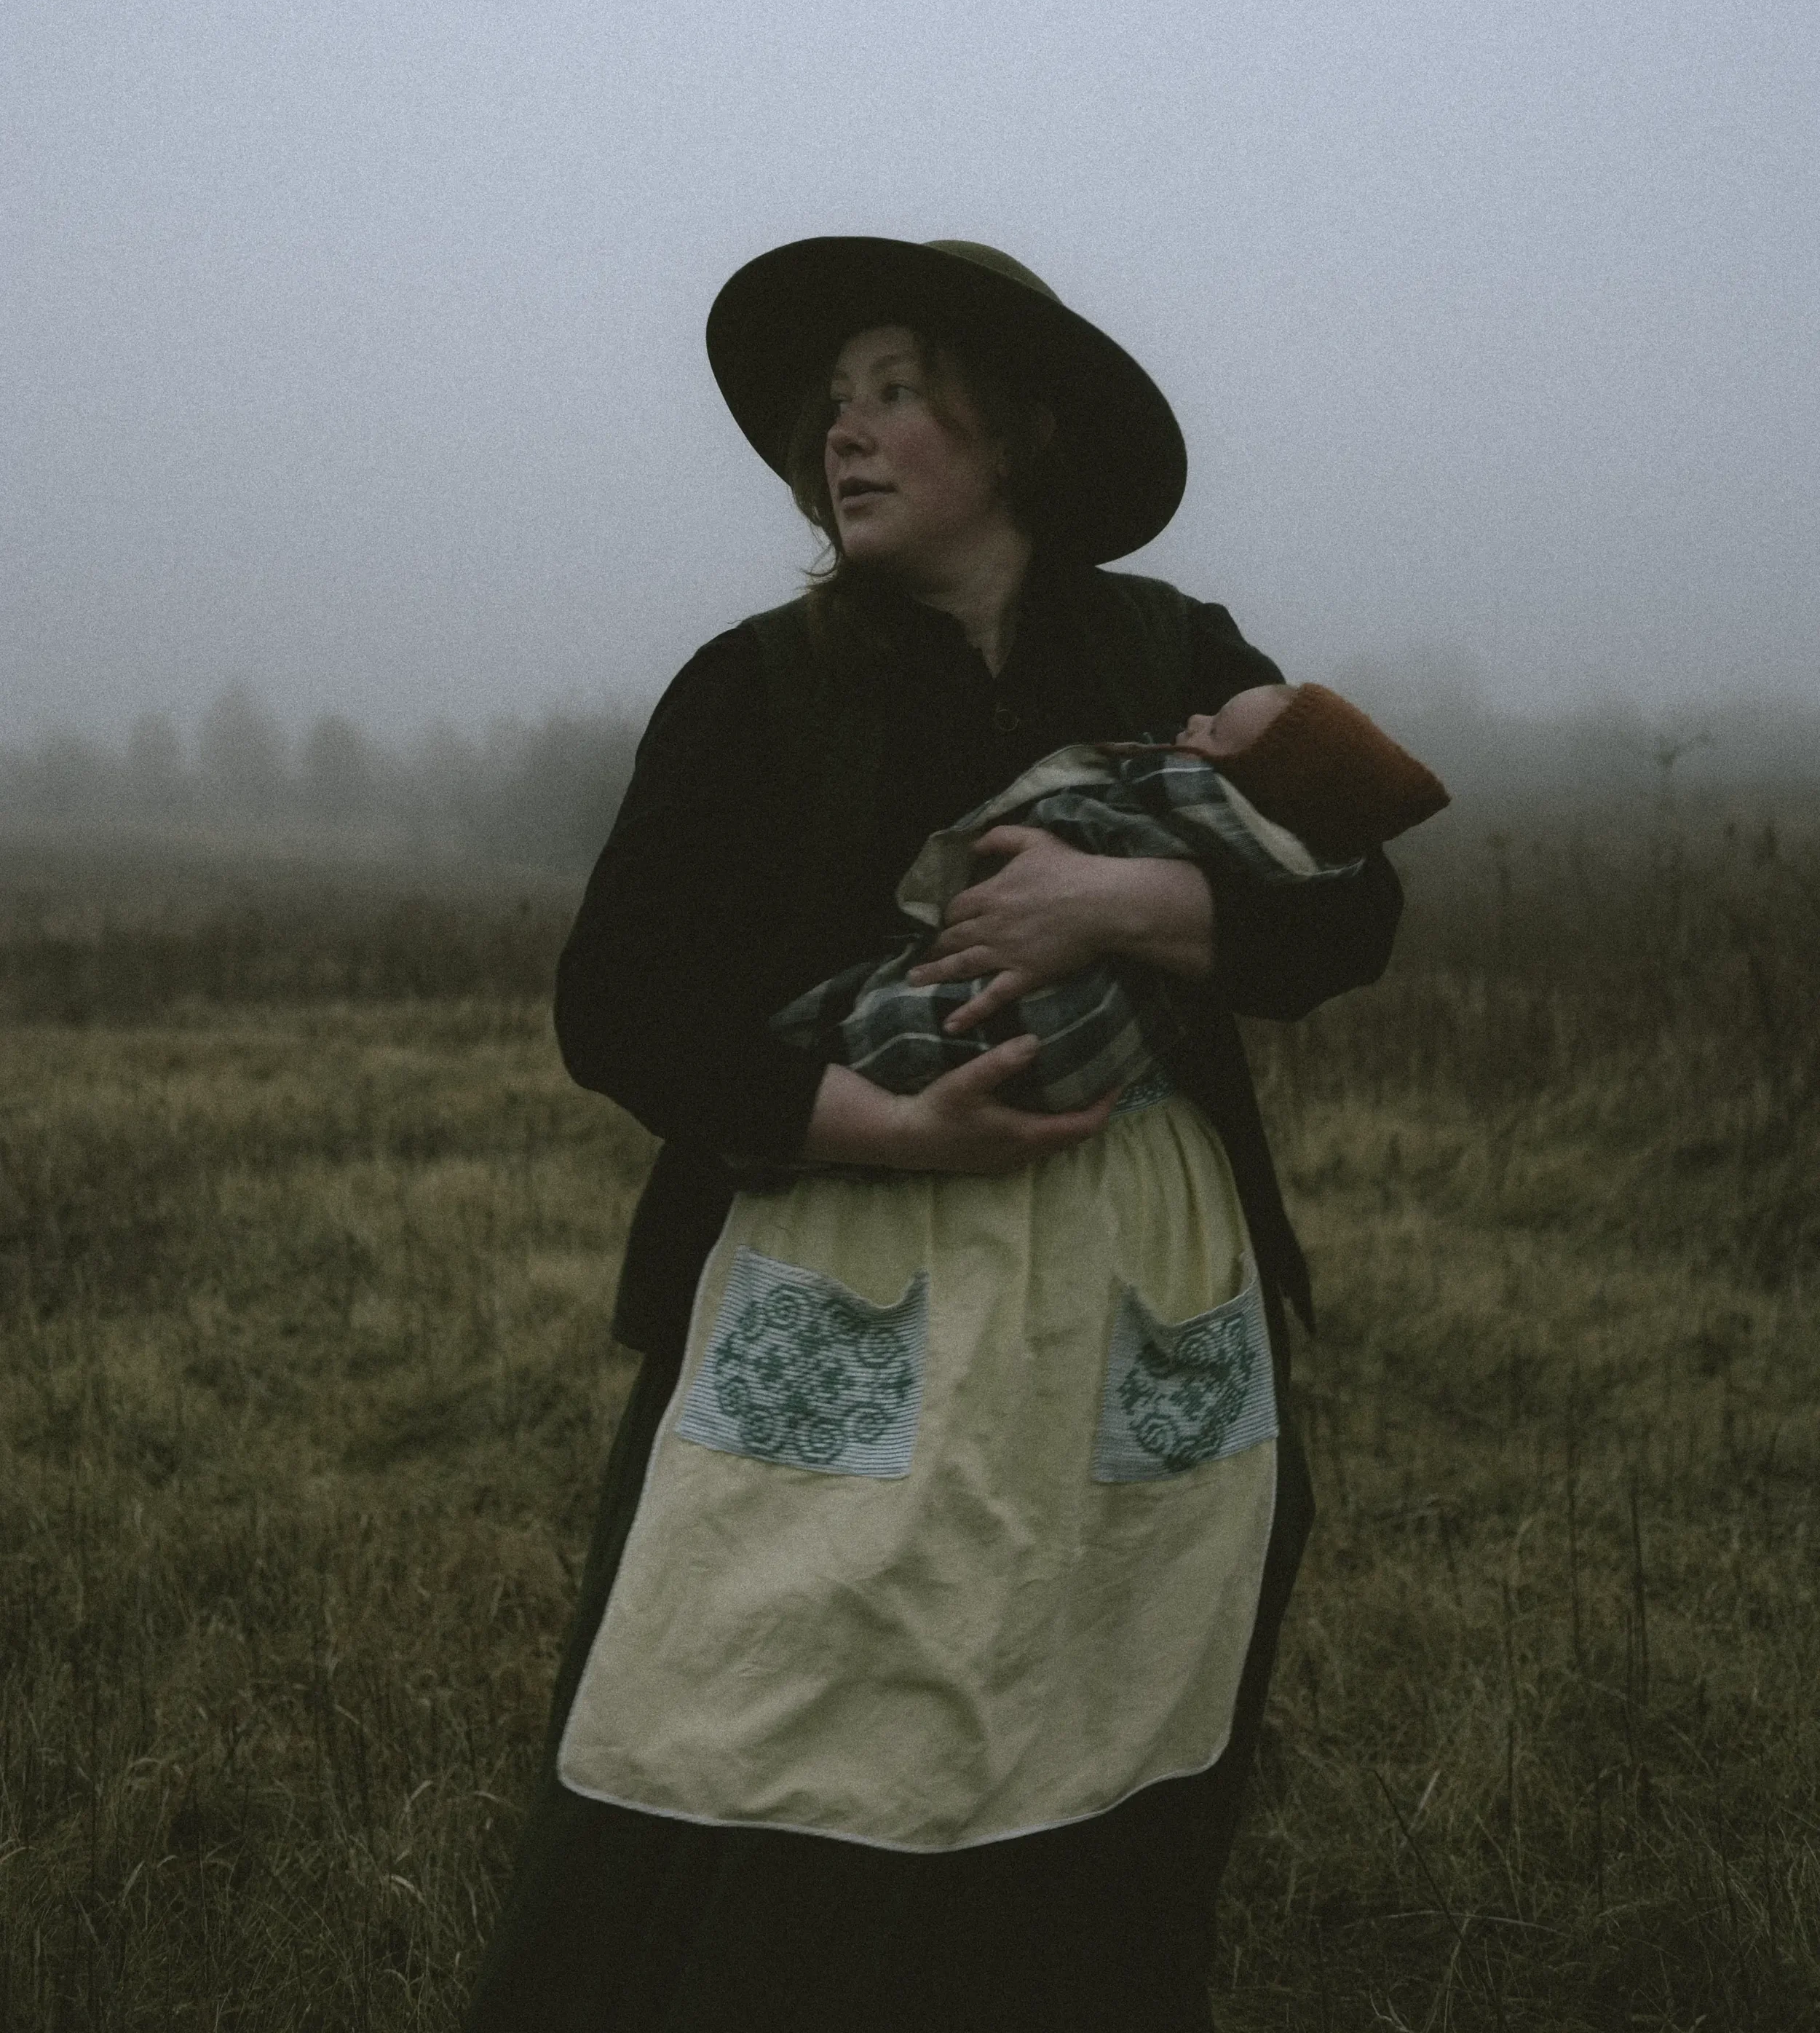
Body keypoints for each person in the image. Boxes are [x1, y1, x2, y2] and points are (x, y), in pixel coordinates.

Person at [464, 238, 1410, 2033]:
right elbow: (620, 1005)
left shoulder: (1173, 654)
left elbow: (1349, 920)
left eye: (896, 389)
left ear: (1020, 426)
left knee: (1104, 1711)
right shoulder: (754, 685)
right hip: (837, 1252)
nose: (846, 433)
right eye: (830, 405)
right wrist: (892, 1130)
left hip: (1138, 1283)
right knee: (764, 1735)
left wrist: (1120, 906)